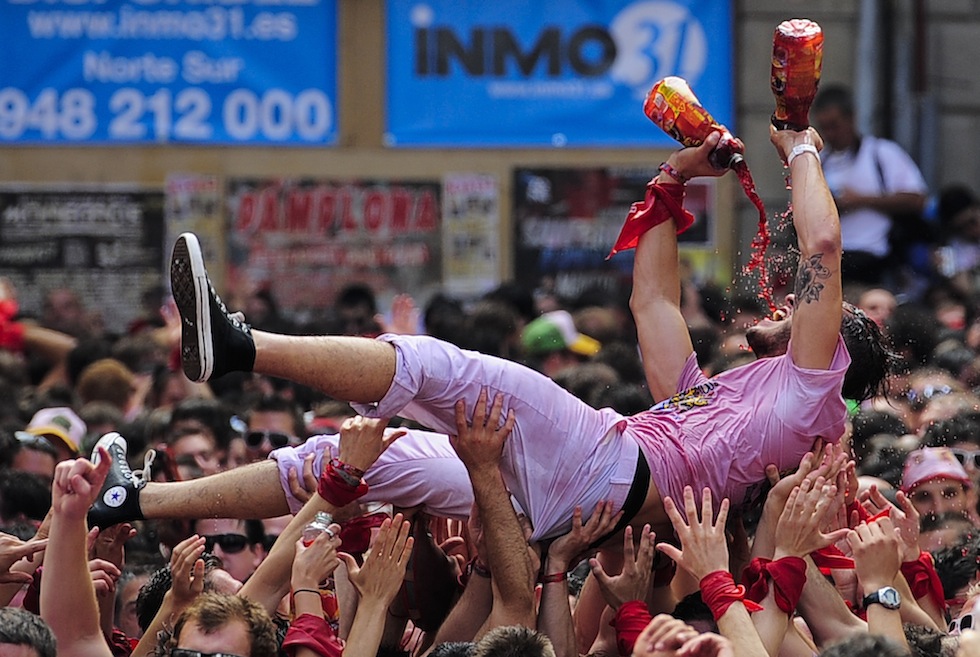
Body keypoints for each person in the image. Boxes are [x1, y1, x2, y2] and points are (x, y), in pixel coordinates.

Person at [88, 122, 891, 549]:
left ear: (832, 344)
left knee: (440, 366)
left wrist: (801, 145)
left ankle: (238, 346)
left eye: (810, 310)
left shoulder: (808, 394)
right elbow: (652, 301)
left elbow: (821, 245)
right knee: (361, 458)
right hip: (579, 492)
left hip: (604, 469)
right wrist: (672, 179)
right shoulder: (727, 406)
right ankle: (135, 499)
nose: (785, 304)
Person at [811, 84, 928, 285]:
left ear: (851, 118)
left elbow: (917, 199)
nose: (830, 134)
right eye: (824, 128)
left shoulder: (882, 153)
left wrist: (861, 200)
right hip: (830, 263)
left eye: (834, 126)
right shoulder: (818, 161)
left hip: (877, 260)